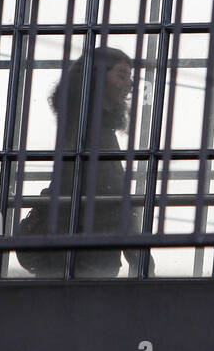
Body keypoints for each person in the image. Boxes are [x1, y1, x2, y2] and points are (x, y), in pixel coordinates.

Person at [16, 46, 150, 277]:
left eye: (130, 77)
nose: (129, 84)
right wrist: (139, 258)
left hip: (70, 256)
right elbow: (114, 197)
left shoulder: (78, 127)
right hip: (88, 260)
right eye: (121, 75)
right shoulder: (94, 133)